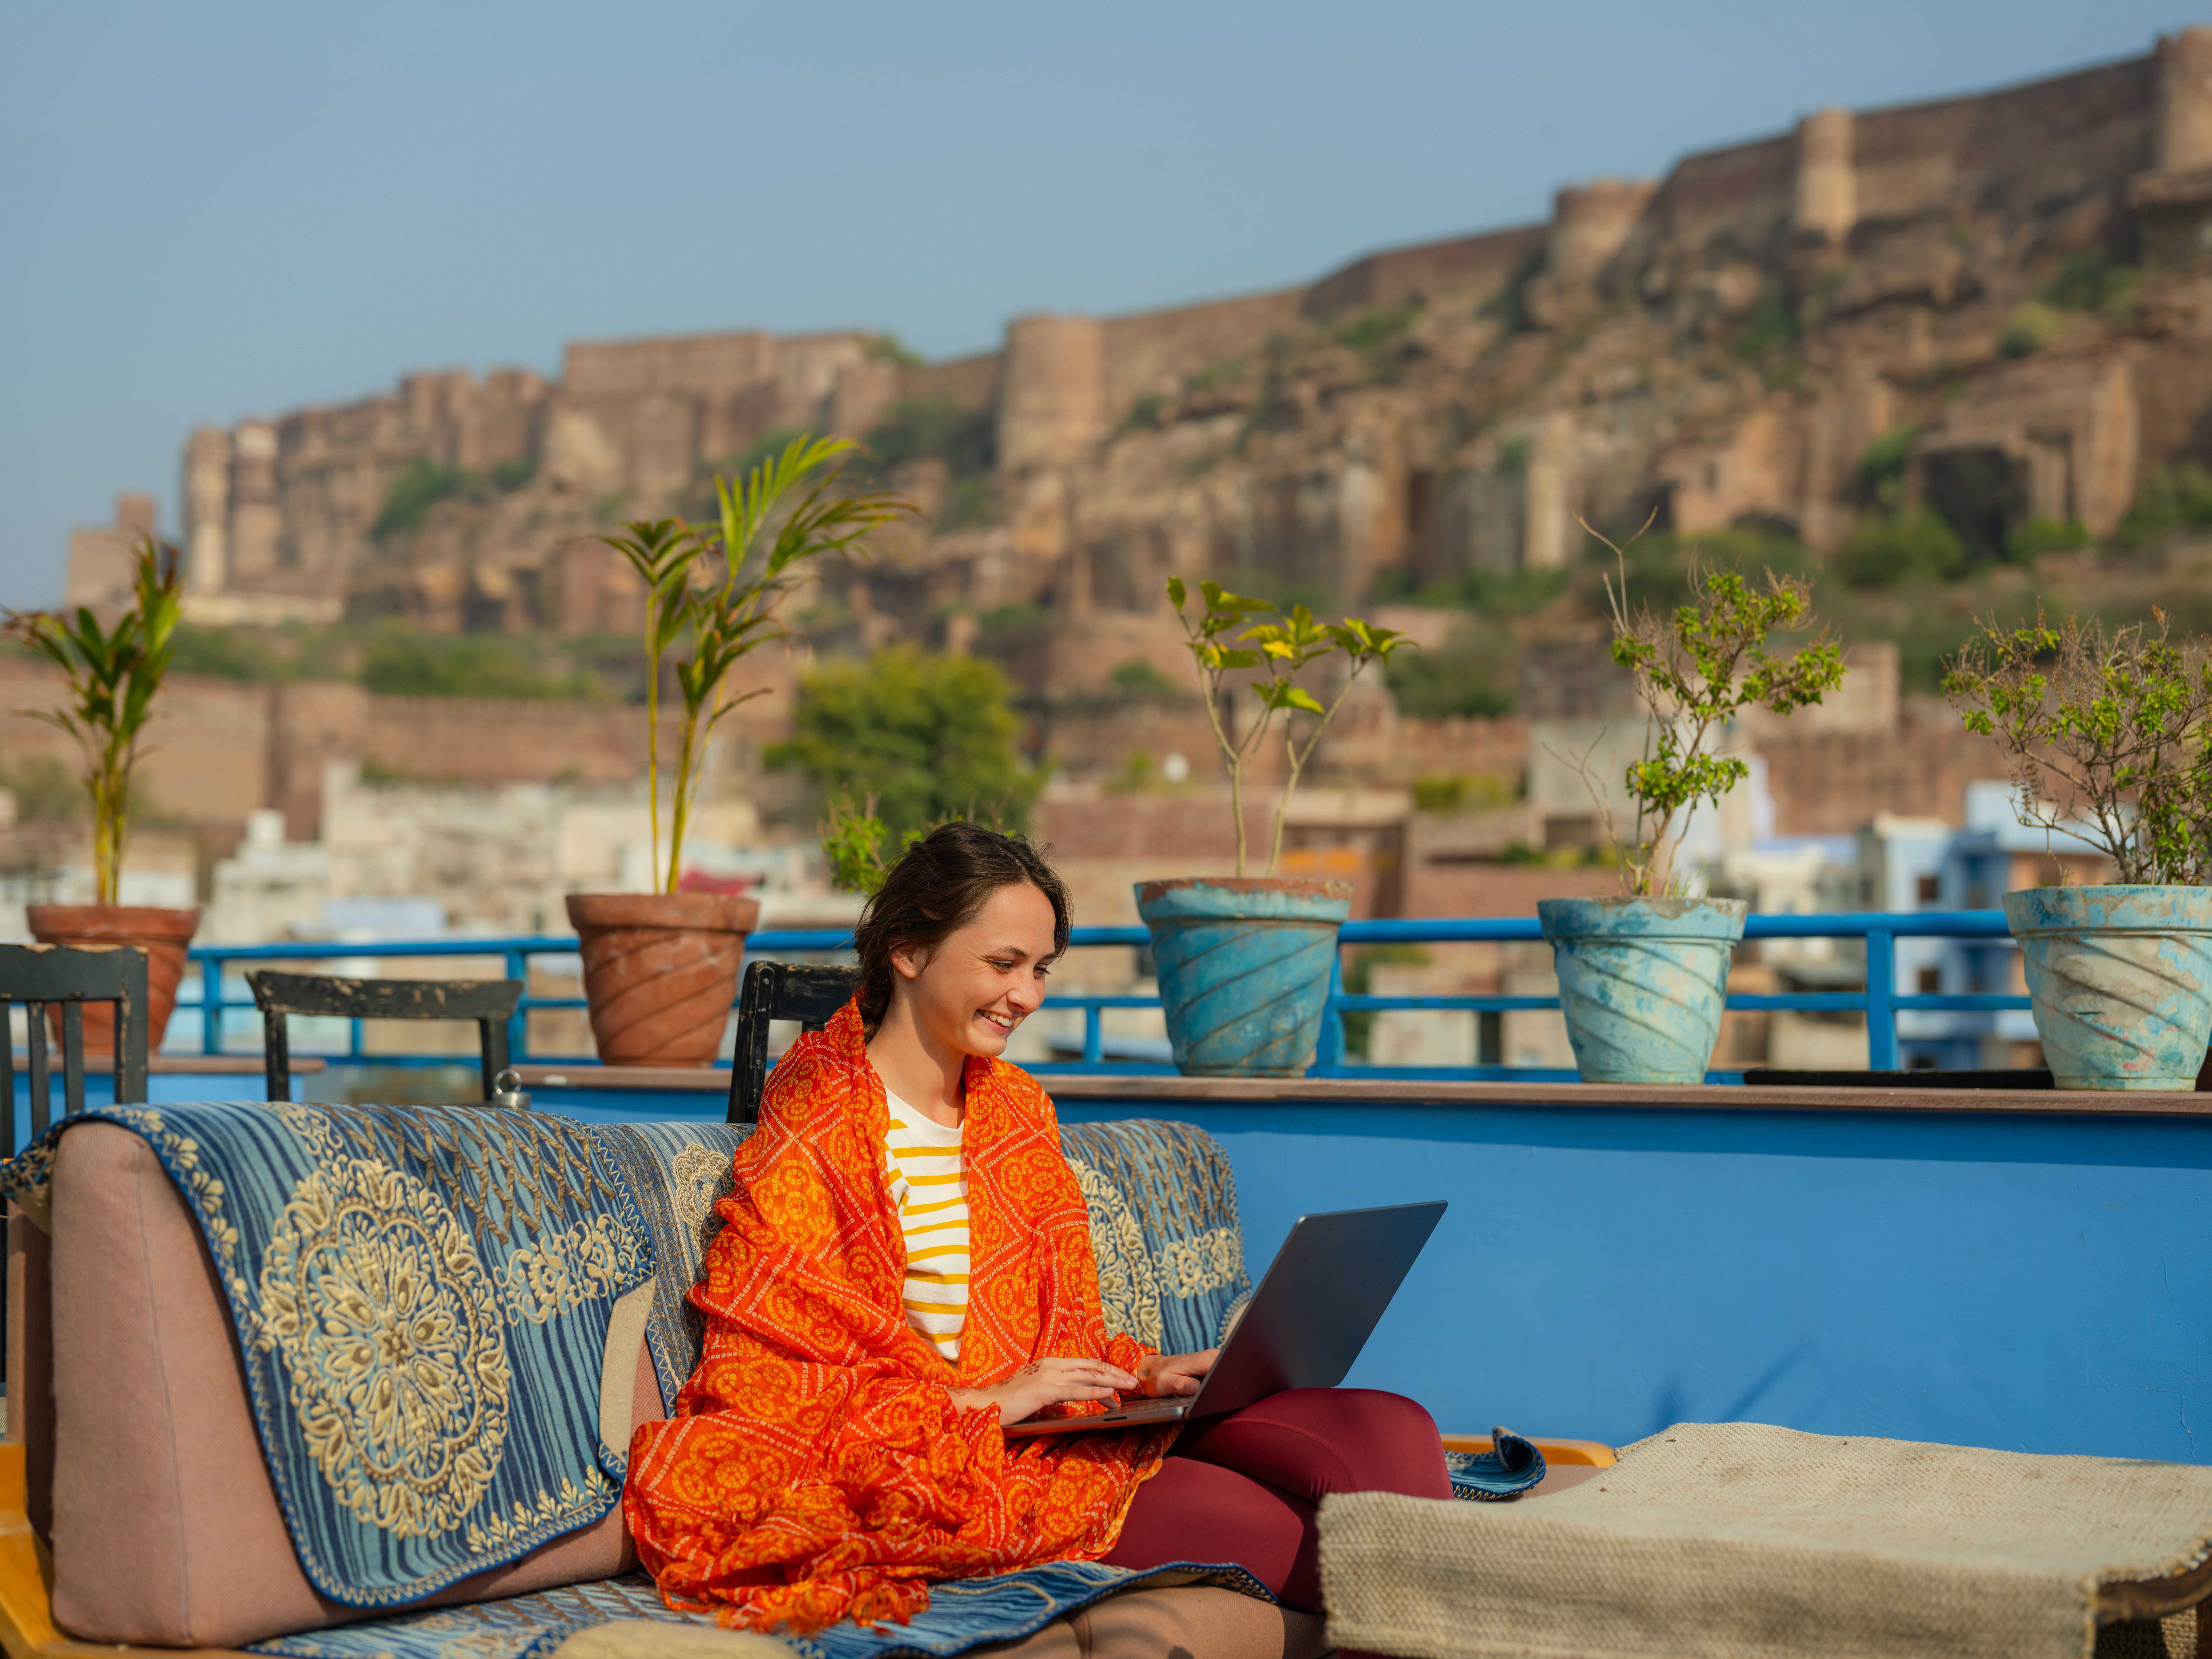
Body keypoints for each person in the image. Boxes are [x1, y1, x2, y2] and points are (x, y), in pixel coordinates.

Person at [623, 823, 1450, 1634]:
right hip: (964, 1461)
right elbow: (767, 1387)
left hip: (1074, 1427)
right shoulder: (816, 1129)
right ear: (907, 951)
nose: (1028, 996)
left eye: (1041, 968)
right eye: (1003, 963)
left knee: (1392, 1425)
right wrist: (985, 1401)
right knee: (1320, 1545)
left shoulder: (1016, 1110)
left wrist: (1146, 1373)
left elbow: (1057, 1331)